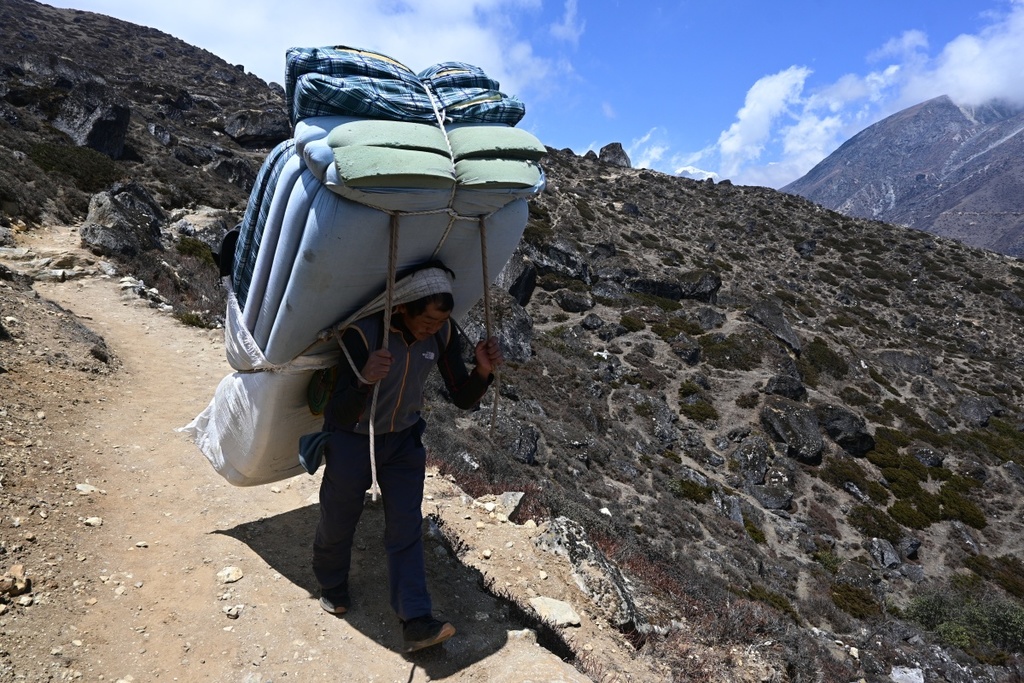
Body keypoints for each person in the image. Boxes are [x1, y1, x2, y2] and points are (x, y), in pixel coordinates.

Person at [311, 263, 503, 652]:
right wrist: (365, 379)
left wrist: (482, 372)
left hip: (402, 442)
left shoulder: (444, 334)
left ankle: (416, 619)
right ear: (402, 308)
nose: (433, 328)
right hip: (352, 439)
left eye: (441, 321)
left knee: (406, 527)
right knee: (339, 514)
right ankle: (331, 583)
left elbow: (461, 397)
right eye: (428, 320)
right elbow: (338, 413)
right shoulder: (362, 336)